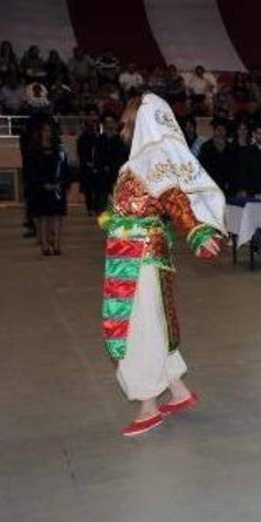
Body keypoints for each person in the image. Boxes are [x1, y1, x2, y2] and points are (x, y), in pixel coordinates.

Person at [98, 94, 225, 436]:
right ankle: (178, 390)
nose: (124, 127)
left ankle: (148, 406)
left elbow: (174, 198)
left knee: (139, 326)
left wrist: (196, 231)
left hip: (138, 257)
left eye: (129, 120)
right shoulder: (141, 160)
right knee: (154, 321)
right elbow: (152, 200)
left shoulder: (151, 159)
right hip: (137, 253)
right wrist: (117, 216)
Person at [24, 120, 70, 255]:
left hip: (57, 187)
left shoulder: (60, 150)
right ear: (40, 133)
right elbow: (31, 171)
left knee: (57, 216)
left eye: (49, 130)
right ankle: (44, 245)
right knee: (43, 217)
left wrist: (60, 183)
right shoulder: (33, 151)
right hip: (40, 187)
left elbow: (65, 169)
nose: (47, 133)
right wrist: (43, 184)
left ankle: (56, 245)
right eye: (44, 130)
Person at [94, 113, 129, 209]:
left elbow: (123, 157)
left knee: (117, 202)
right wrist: (101, 167)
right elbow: (97, 157)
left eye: (111, 122)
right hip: (102, 175)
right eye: (107, 122)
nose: (109, 124)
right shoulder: (99, 139)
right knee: (102, 202)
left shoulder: (121, 139)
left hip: (116, 174)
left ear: (116, 124)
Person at [235, 122, 261, 198]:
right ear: (254, 134)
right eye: (259, 133)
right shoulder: (247, 151)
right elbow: (243, 171)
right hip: (250, 193)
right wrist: (242, 189)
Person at [197, 118, 233, 197]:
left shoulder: (231, 147)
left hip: (227, 188)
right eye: (218, 129)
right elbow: (201, 168)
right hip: (210, 186)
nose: (221, 132)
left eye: (223, 130)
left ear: (226, 131)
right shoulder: (206, 147)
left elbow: (234, 169)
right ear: (214, 130)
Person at [76, 109, 101, 216]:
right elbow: (81, 153)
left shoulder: (99, 137)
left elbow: (100, 152)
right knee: (88, 190)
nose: (92, 125)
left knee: (97, 189)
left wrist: (97, 164)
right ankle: (90, 208)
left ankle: (96, 207)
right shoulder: (82, 138)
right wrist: (87, 163)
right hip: (86, 167)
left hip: (97, 166)